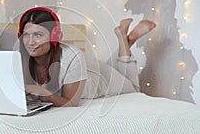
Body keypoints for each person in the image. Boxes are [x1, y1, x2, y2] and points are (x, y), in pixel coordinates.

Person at [17, 6, 156, 107]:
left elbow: (70, 103)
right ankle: (127, 41)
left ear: (54, 37)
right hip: (86, 68)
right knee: (109, 67)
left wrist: (44, 94)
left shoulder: (72, 57)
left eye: (38, 35)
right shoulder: (18, 57)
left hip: (95, 81)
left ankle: (124, 40)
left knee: (133, 88)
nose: (30, 42)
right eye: (26, 35)